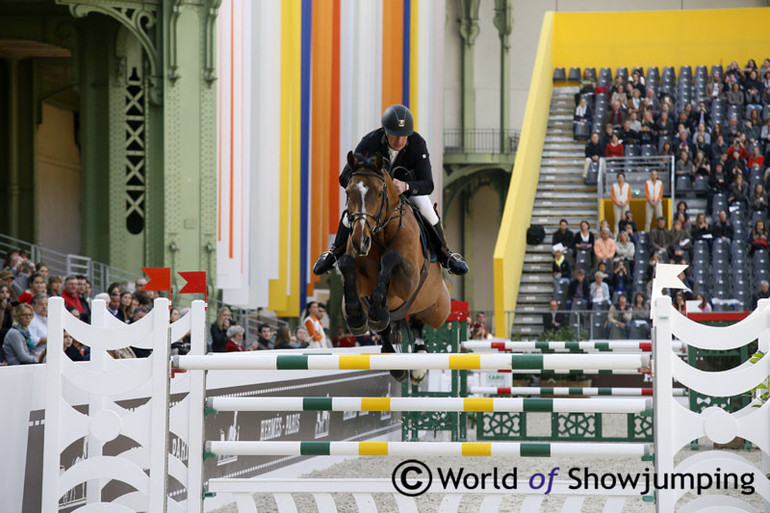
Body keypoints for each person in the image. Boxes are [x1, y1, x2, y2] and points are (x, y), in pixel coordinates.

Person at [313, 104, 468, 276]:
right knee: (353, 213)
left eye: (404, 136)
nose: (400, 141)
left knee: (427, 209)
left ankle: (446, 255)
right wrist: (366, 186)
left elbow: (428, 184)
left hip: (407, 193)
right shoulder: (369, 142)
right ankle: (333, 254)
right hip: (376, 195)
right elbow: (344, 177)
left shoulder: (417, 143)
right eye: (395, 135)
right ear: (384, 130)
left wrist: (406, 186)